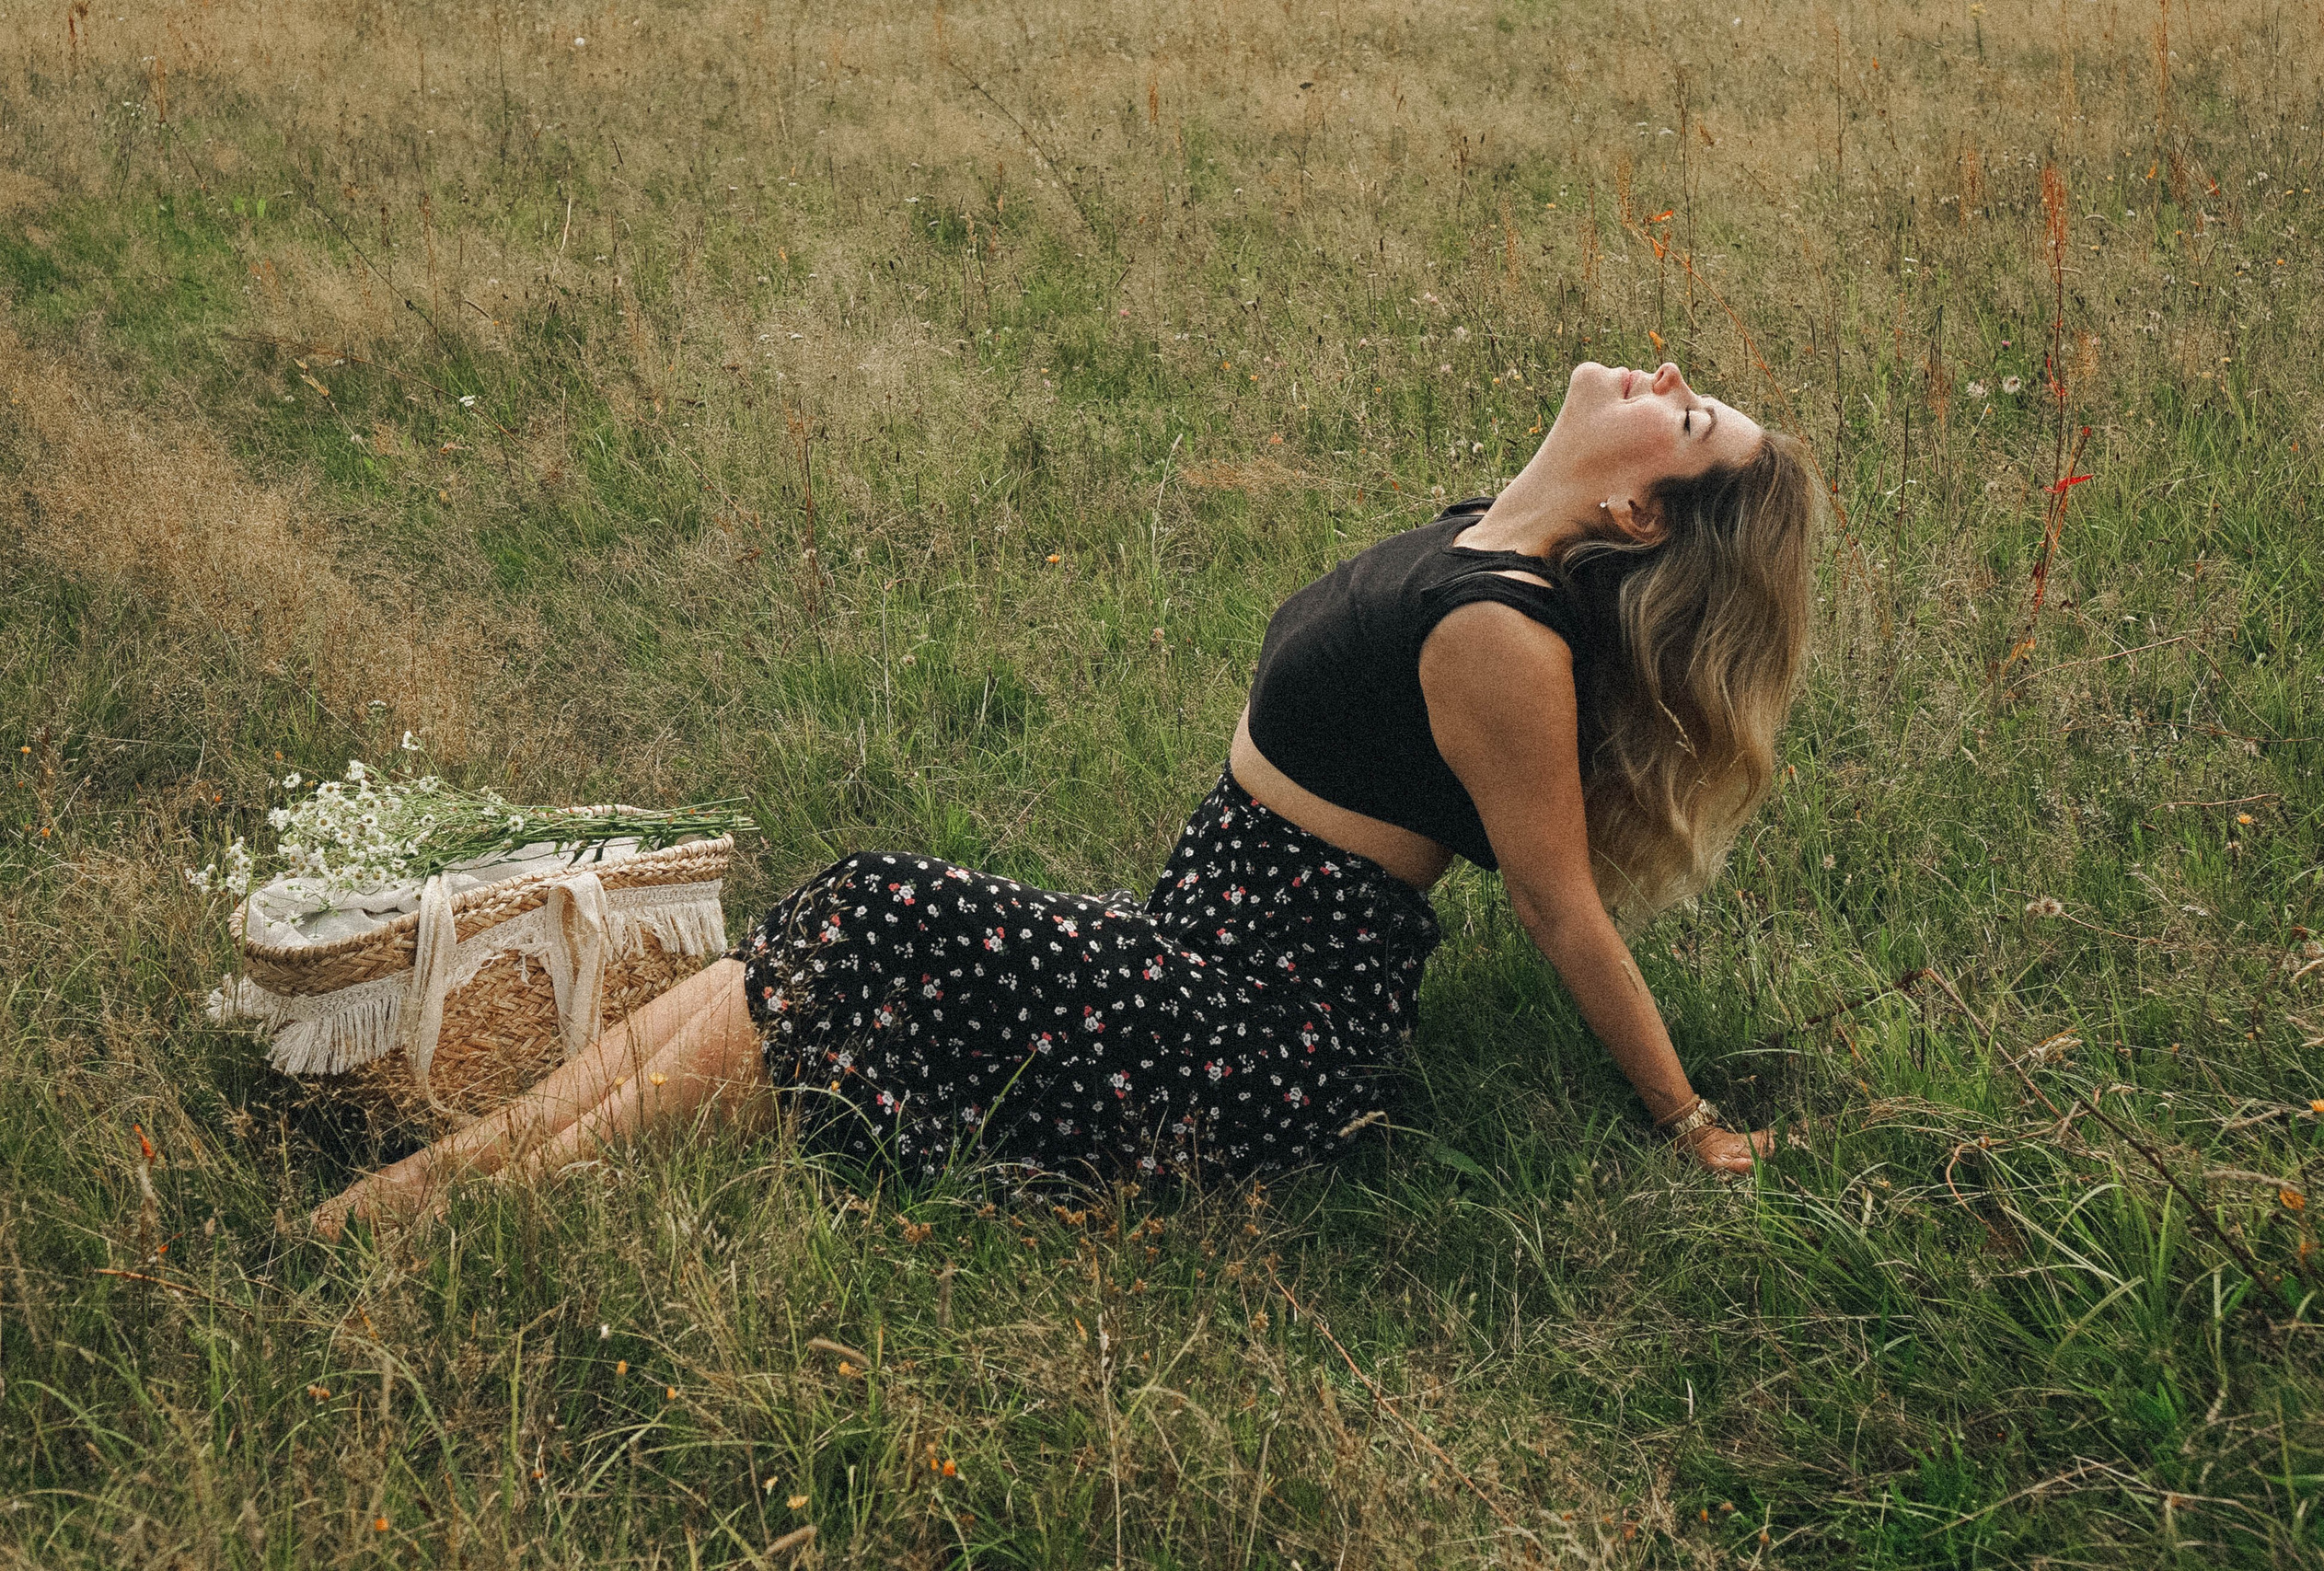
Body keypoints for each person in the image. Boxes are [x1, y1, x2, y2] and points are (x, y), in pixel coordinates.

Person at [313, 361, 1820, 1238]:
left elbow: (1559, 906)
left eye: (1692, 427)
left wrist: (1688, 1125)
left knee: (881, 911)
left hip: (1259, 1036)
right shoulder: (1482, 541)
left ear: (1637, 510)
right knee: (838, 925)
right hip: (1199, 951)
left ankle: (445, 1228)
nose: (1671, 382)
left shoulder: (1506, 630)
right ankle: (428, 1185)